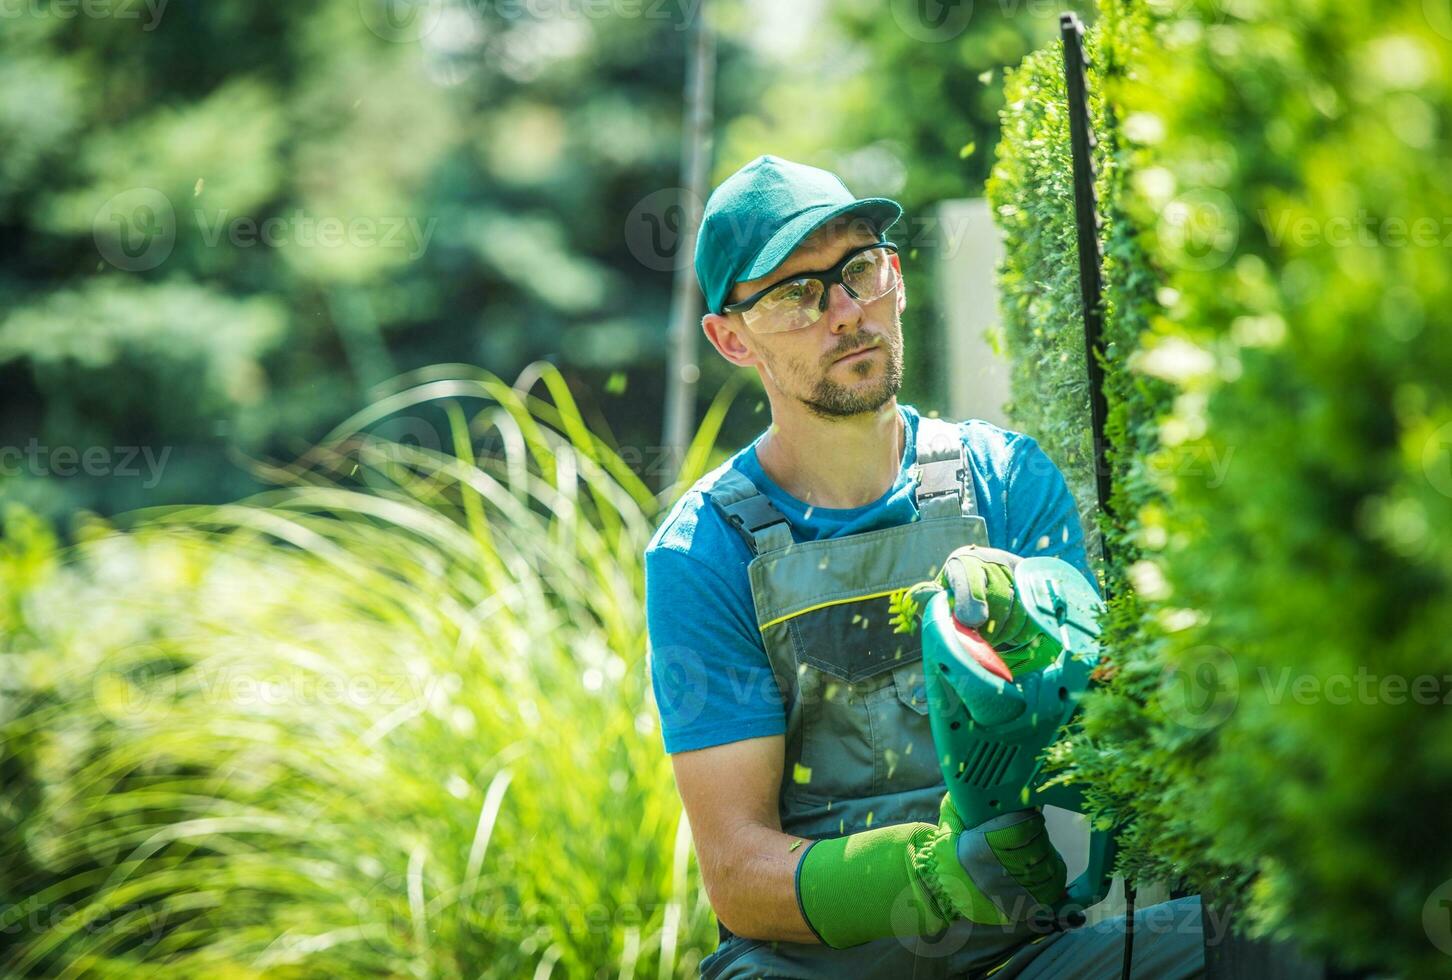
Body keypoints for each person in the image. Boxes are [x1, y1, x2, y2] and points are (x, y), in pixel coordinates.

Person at [644, 154, 1204, 979]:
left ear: (895, 278)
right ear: (732, 337)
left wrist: (1045, 621)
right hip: (809, 973)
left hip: (1028, 956)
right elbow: (737, 877)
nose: (843, 311)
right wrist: (928, 877)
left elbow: (1103, 725)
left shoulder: (1006, 478)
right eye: (796, 293)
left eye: (857, 269)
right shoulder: (706, 550)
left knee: (1266, 943)